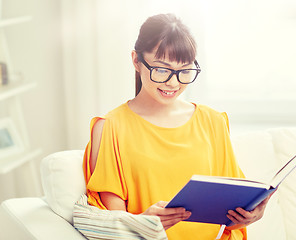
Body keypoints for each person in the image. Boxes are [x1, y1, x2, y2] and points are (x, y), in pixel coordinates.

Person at [83, 13, 271, 240]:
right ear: (136, 60)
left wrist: (249, 213)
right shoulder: (111, 127)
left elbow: (230, 210)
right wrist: (144, 222)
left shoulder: (213, 121)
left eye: (184, 70)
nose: (174, 82)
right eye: (162, 69)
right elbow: (114, 224)